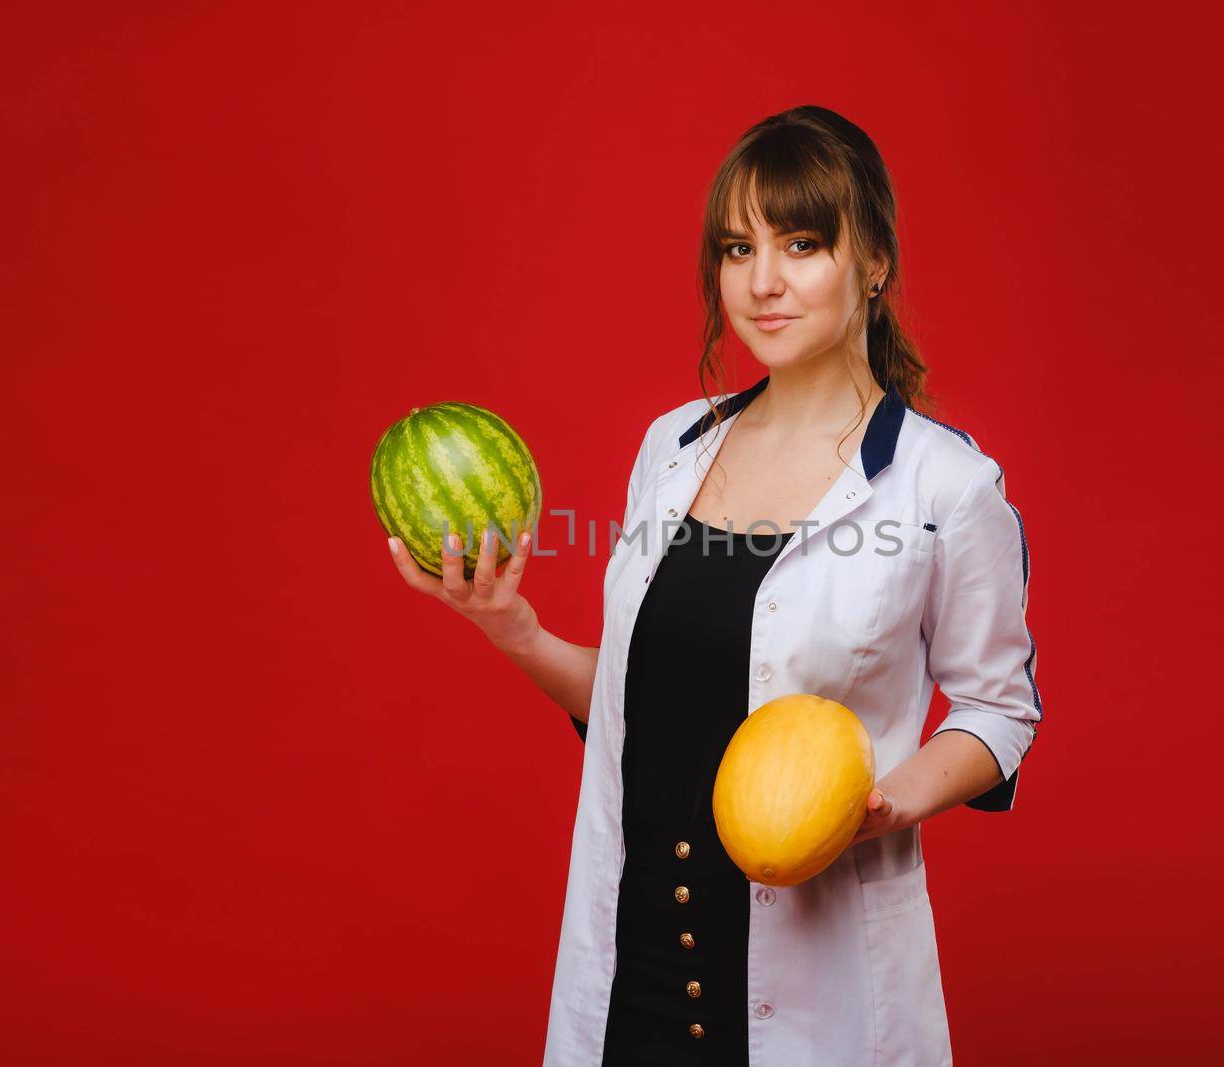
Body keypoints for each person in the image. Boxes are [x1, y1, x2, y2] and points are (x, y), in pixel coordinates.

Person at [386, 105, 1042, 1066]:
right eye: (738, 248)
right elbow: (634, 699)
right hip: (634, 970)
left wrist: (885, 804)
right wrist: (515, 630)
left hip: (812, 985)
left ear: (875, 264)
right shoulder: (673, 447)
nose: (764, 282)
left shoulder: (944, 483)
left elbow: (999, 708)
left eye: (803, 243)